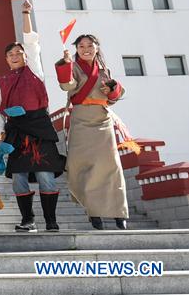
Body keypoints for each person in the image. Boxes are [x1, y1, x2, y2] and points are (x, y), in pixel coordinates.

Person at [0, 0, 65, 232]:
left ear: (26, 56)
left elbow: (31, 43)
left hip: (39, 128)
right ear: (6, 59)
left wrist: (25, 14)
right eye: (10, 54)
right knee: (18, 178)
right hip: (15, 131)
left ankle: (51, 221)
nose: (15, 56)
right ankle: (28, 220)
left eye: (18, 53)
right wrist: (0, 131)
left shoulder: (35, 71)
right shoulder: (1, 81)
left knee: (45, 176)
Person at [56, 34, 129, 230]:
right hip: (80, 120)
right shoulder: (73, 66)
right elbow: (67, 85)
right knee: (81, 166)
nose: (86, 49)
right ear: (76, 49)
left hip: (103, 119)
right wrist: (66, 64)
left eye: (90, 45)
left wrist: (112, 90)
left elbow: (113, 98)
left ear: (97, 47)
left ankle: (118, 213)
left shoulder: (104, 69)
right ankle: (94, 212)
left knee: (112, 167)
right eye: (81, 46)